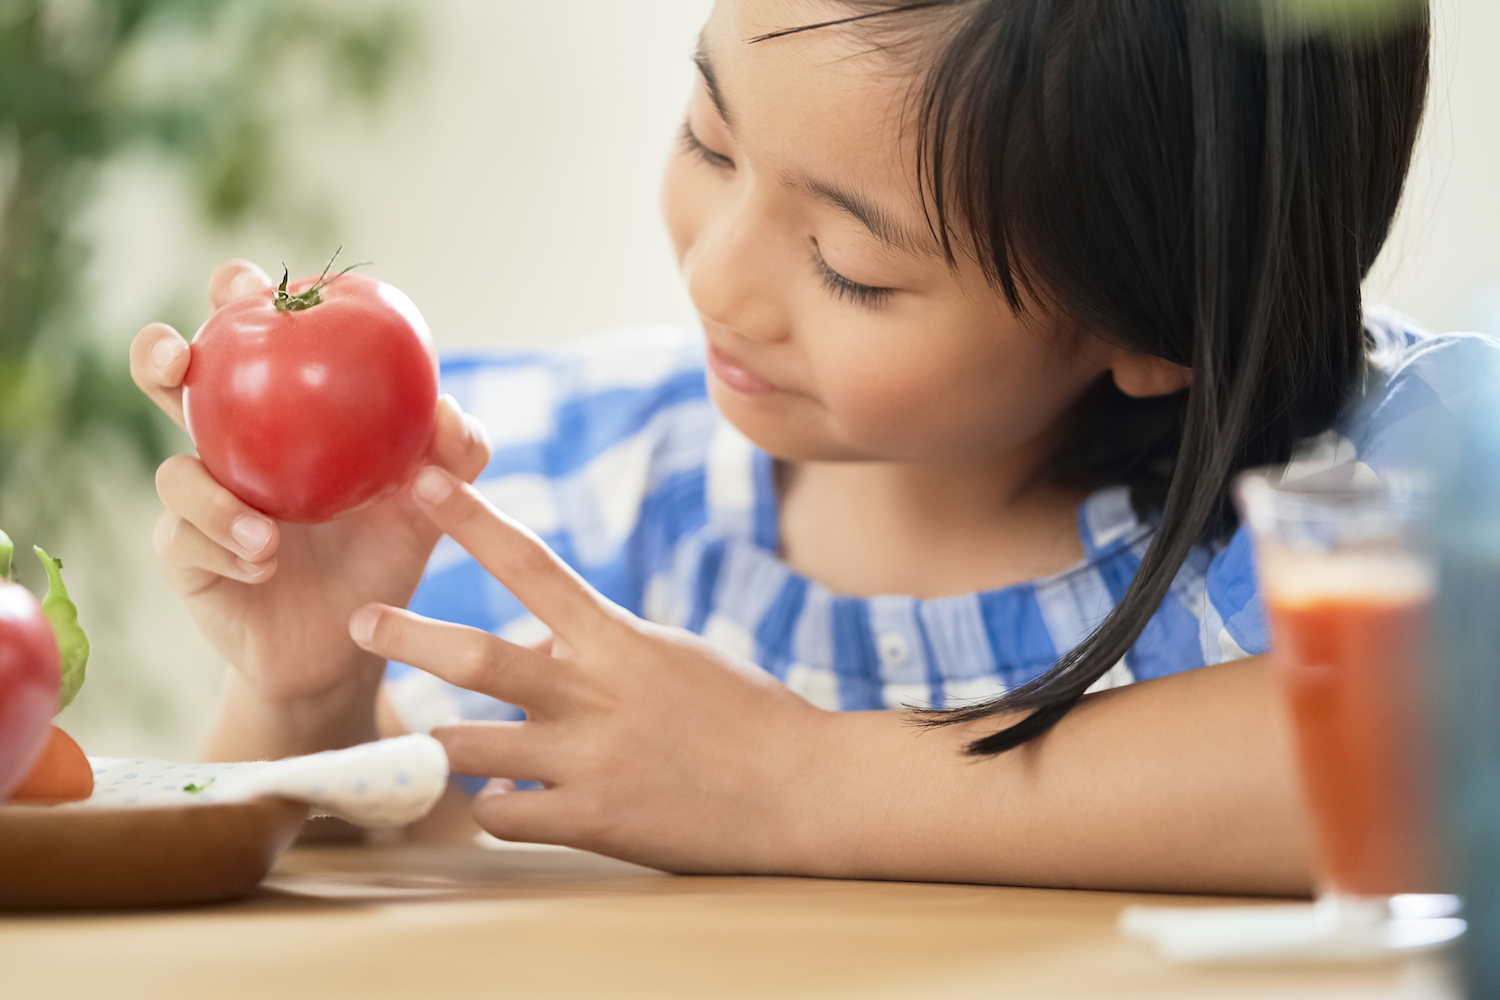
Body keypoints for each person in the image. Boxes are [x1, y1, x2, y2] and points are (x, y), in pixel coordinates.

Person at [128, 0, 1494, 893]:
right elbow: (361, 888)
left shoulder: (1384, 482)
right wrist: (308, 702)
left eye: (850, 267)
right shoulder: (578, 491)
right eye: (708, 140)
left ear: (1158, 313)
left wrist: (800, 783)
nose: (716, 280)